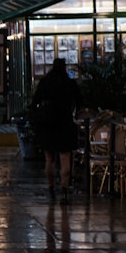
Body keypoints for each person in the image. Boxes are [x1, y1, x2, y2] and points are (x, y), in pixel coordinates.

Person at [31, 58, 82, 204]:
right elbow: (79, 102)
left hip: (47, 123)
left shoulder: (45, 82)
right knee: (65, 157)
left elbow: (34, 103)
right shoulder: (70, 83)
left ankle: (51, 188)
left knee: (49, 158)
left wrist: (37, 117)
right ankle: (64, 190)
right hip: (65, 122)